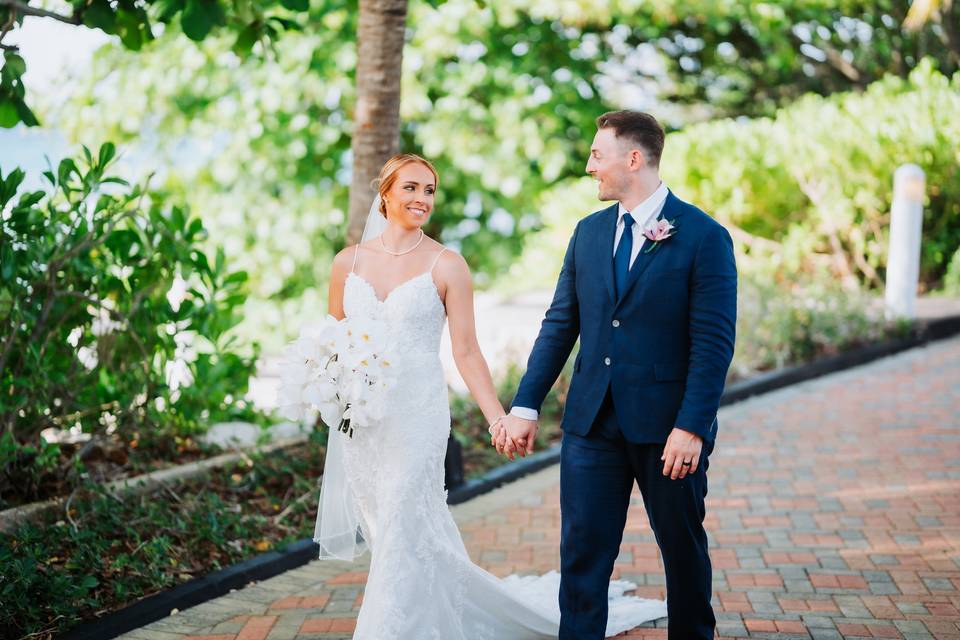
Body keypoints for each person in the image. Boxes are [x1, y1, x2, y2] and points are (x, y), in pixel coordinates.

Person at [315, 152, 666, 639]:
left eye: (429, 191)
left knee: (401, 524)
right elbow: (333, 343)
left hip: (417, 418)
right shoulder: (346, 264)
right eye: (411, 188)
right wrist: (331, 393)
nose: (422, 199)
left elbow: (467, 352)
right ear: (386, 194)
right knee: (397, 535)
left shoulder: (446, 265)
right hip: (366, 424)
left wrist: (499, 417)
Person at [497, 110, 738, 639]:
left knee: (681, 551)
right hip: (591, 424)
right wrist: (524, 404)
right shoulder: (588, 233)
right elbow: (561, 323)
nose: (589, 167)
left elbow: (714, 344)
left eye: (596, 154)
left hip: (668, 430)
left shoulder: (703, 236)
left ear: (633, 158)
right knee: (582, 554)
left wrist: (692, 426)